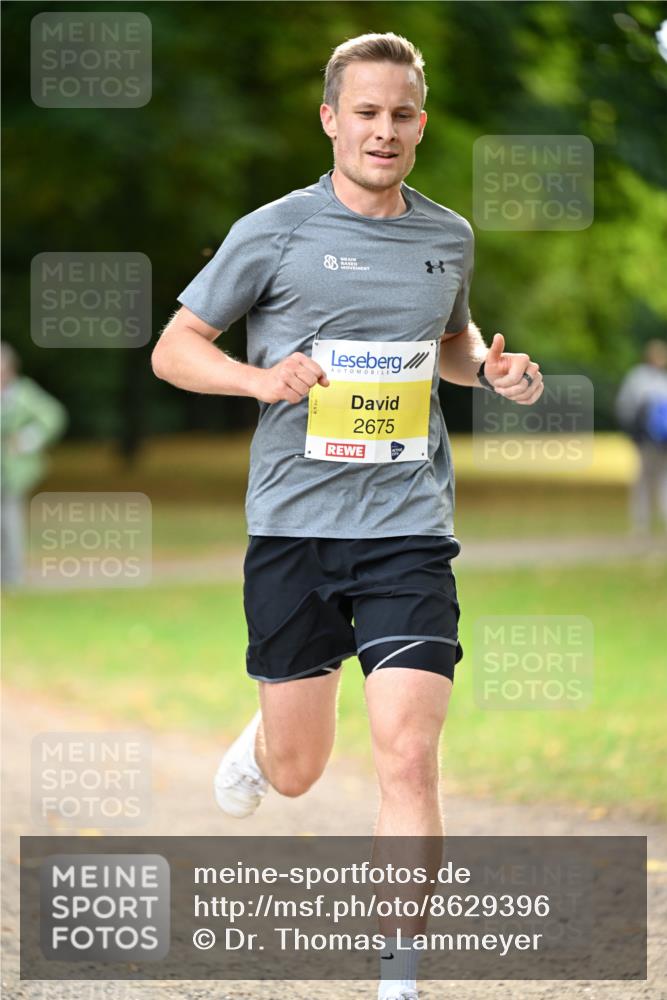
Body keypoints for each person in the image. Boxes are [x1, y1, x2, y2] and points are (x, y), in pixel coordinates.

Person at [152, 32, 544, 1000]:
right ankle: (261, 738)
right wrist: (258, 378)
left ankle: (398, 977)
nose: (384, 130)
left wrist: (490, 371)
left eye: (401, 112)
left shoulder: (445, 235)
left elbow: (449, 344)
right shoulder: (274, 229)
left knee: (408, 751)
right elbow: (174, 349)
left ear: (422, 121)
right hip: (293, 527)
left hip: (409, 525)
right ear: (331, 118)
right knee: (296, 771)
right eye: (364, 112)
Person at [1, 342, 68, 588]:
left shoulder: (23, 395)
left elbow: (53, 416)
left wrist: (28, 440)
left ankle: (12, 577)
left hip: (12, 471)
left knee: (9, 522)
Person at [615, 339, 667, 537]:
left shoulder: (645, 379)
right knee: (647, 479)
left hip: (658, 441)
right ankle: (641, 524)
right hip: (647, 441)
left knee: (658, 479)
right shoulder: (640, 378)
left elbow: (625, 406)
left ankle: (648, 523)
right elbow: (627, 407)